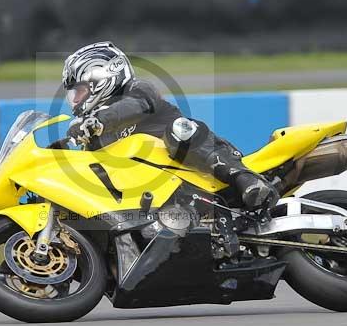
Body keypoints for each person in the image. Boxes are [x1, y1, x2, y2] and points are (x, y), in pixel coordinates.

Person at [63, 41, 279, 212]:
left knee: (179, 130)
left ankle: (245, 178)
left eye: (79, 91)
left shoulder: (138, 90)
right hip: (154, 199)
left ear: (102, 79)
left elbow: (135, 106)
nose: (74, 100)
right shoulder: (95, 138)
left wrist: (99, 120)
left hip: (199, 173)